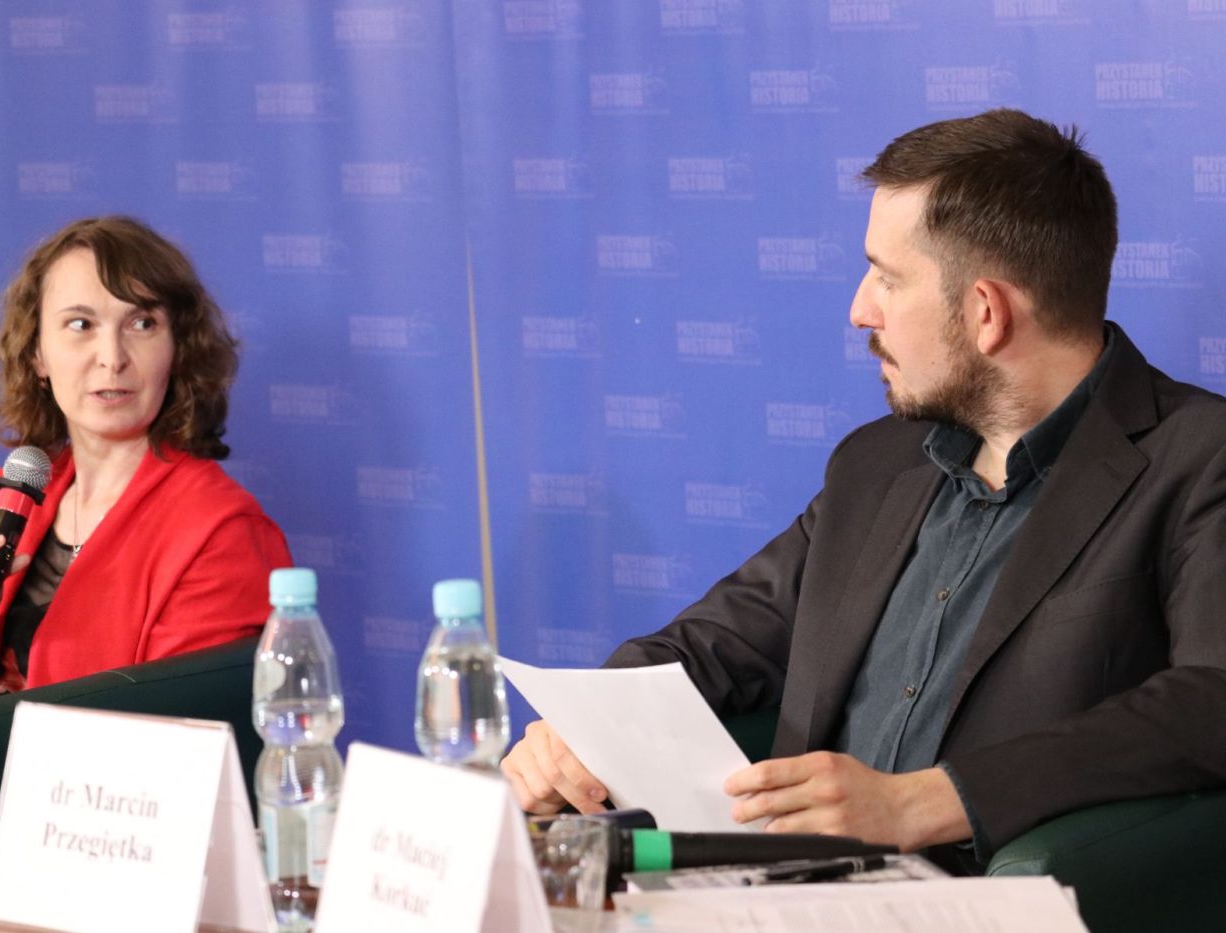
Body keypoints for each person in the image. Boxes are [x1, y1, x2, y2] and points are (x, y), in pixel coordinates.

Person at [501, 108, 1226, 872]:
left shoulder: (1198, 461)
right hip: (787, 894)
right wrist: (580, 728)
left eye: (887, 277)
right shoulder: (875, 465)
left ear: (986, 312)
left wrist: (930, 799)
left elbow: (1213, 695)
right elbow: (716, 642)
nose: (859, 310)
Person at [0, 216, 292, 928]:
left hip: (85, 861)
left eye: (141, 324)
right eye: (80, 325)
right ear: (38, 353)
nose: (111, 357)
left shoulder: (219, 531)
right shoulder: (6, 499)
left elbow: (166, 771)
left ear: (177, 347)